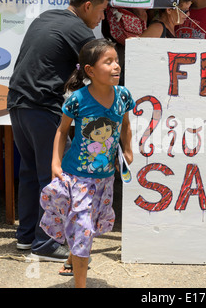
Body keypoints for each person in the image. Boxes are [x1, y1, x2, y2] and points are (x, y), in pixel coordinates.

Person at [6, 0, 111, 261]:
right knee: (52, 176)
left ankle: (27, 236)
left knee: (30, 173)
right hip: (42, 105)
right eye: (101, 11)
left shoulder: (46, 17)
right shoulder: (79, 30)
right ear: (88, 6)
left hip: (18, 104)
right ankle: (46, 243)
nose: (101, 18)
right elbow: (102, 67)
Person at [40, 38, 135, 288]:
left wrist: (127, 149)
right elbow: (62, 131)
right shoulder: (77, 100)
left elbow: (125, 125)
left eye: (117, 61)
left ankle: (71, 259)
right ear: (90, 70)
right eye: (109, 62)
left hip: (104, 179)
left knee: (89, 225)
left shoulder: (123, 96)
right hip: (77, 177)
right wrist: (55, 164)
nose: (117, 66)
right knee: (83, 229)